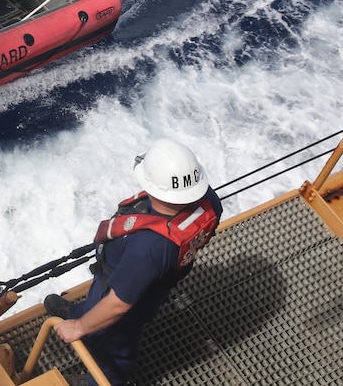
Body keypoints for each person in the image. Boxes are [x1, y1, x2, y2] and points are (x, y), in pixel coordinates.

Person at [46, 140, 223, 386]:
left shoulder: (148, 248)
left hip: (128, 291)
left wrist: (78, 328)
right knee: (98, 302)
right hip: (138, 278)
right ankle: (81, 312)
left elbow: (119, 304)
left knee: (114, 348)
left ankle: (99, 379)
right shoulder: (209, 200)